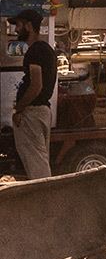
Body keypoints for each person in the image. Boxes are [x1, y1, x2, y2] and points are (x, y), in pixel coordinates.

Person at [10, 9, 55, 179]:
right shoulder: (46, 49)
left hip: (32, 113)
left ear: (29, 26)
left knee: (36, 164)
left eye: (19, 25)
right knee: (40, 160)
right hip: (41, 111)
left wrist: (19, 109)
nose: (16, 30)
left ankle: (44, 202)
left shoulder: (35, 51)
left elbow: (36, 85)